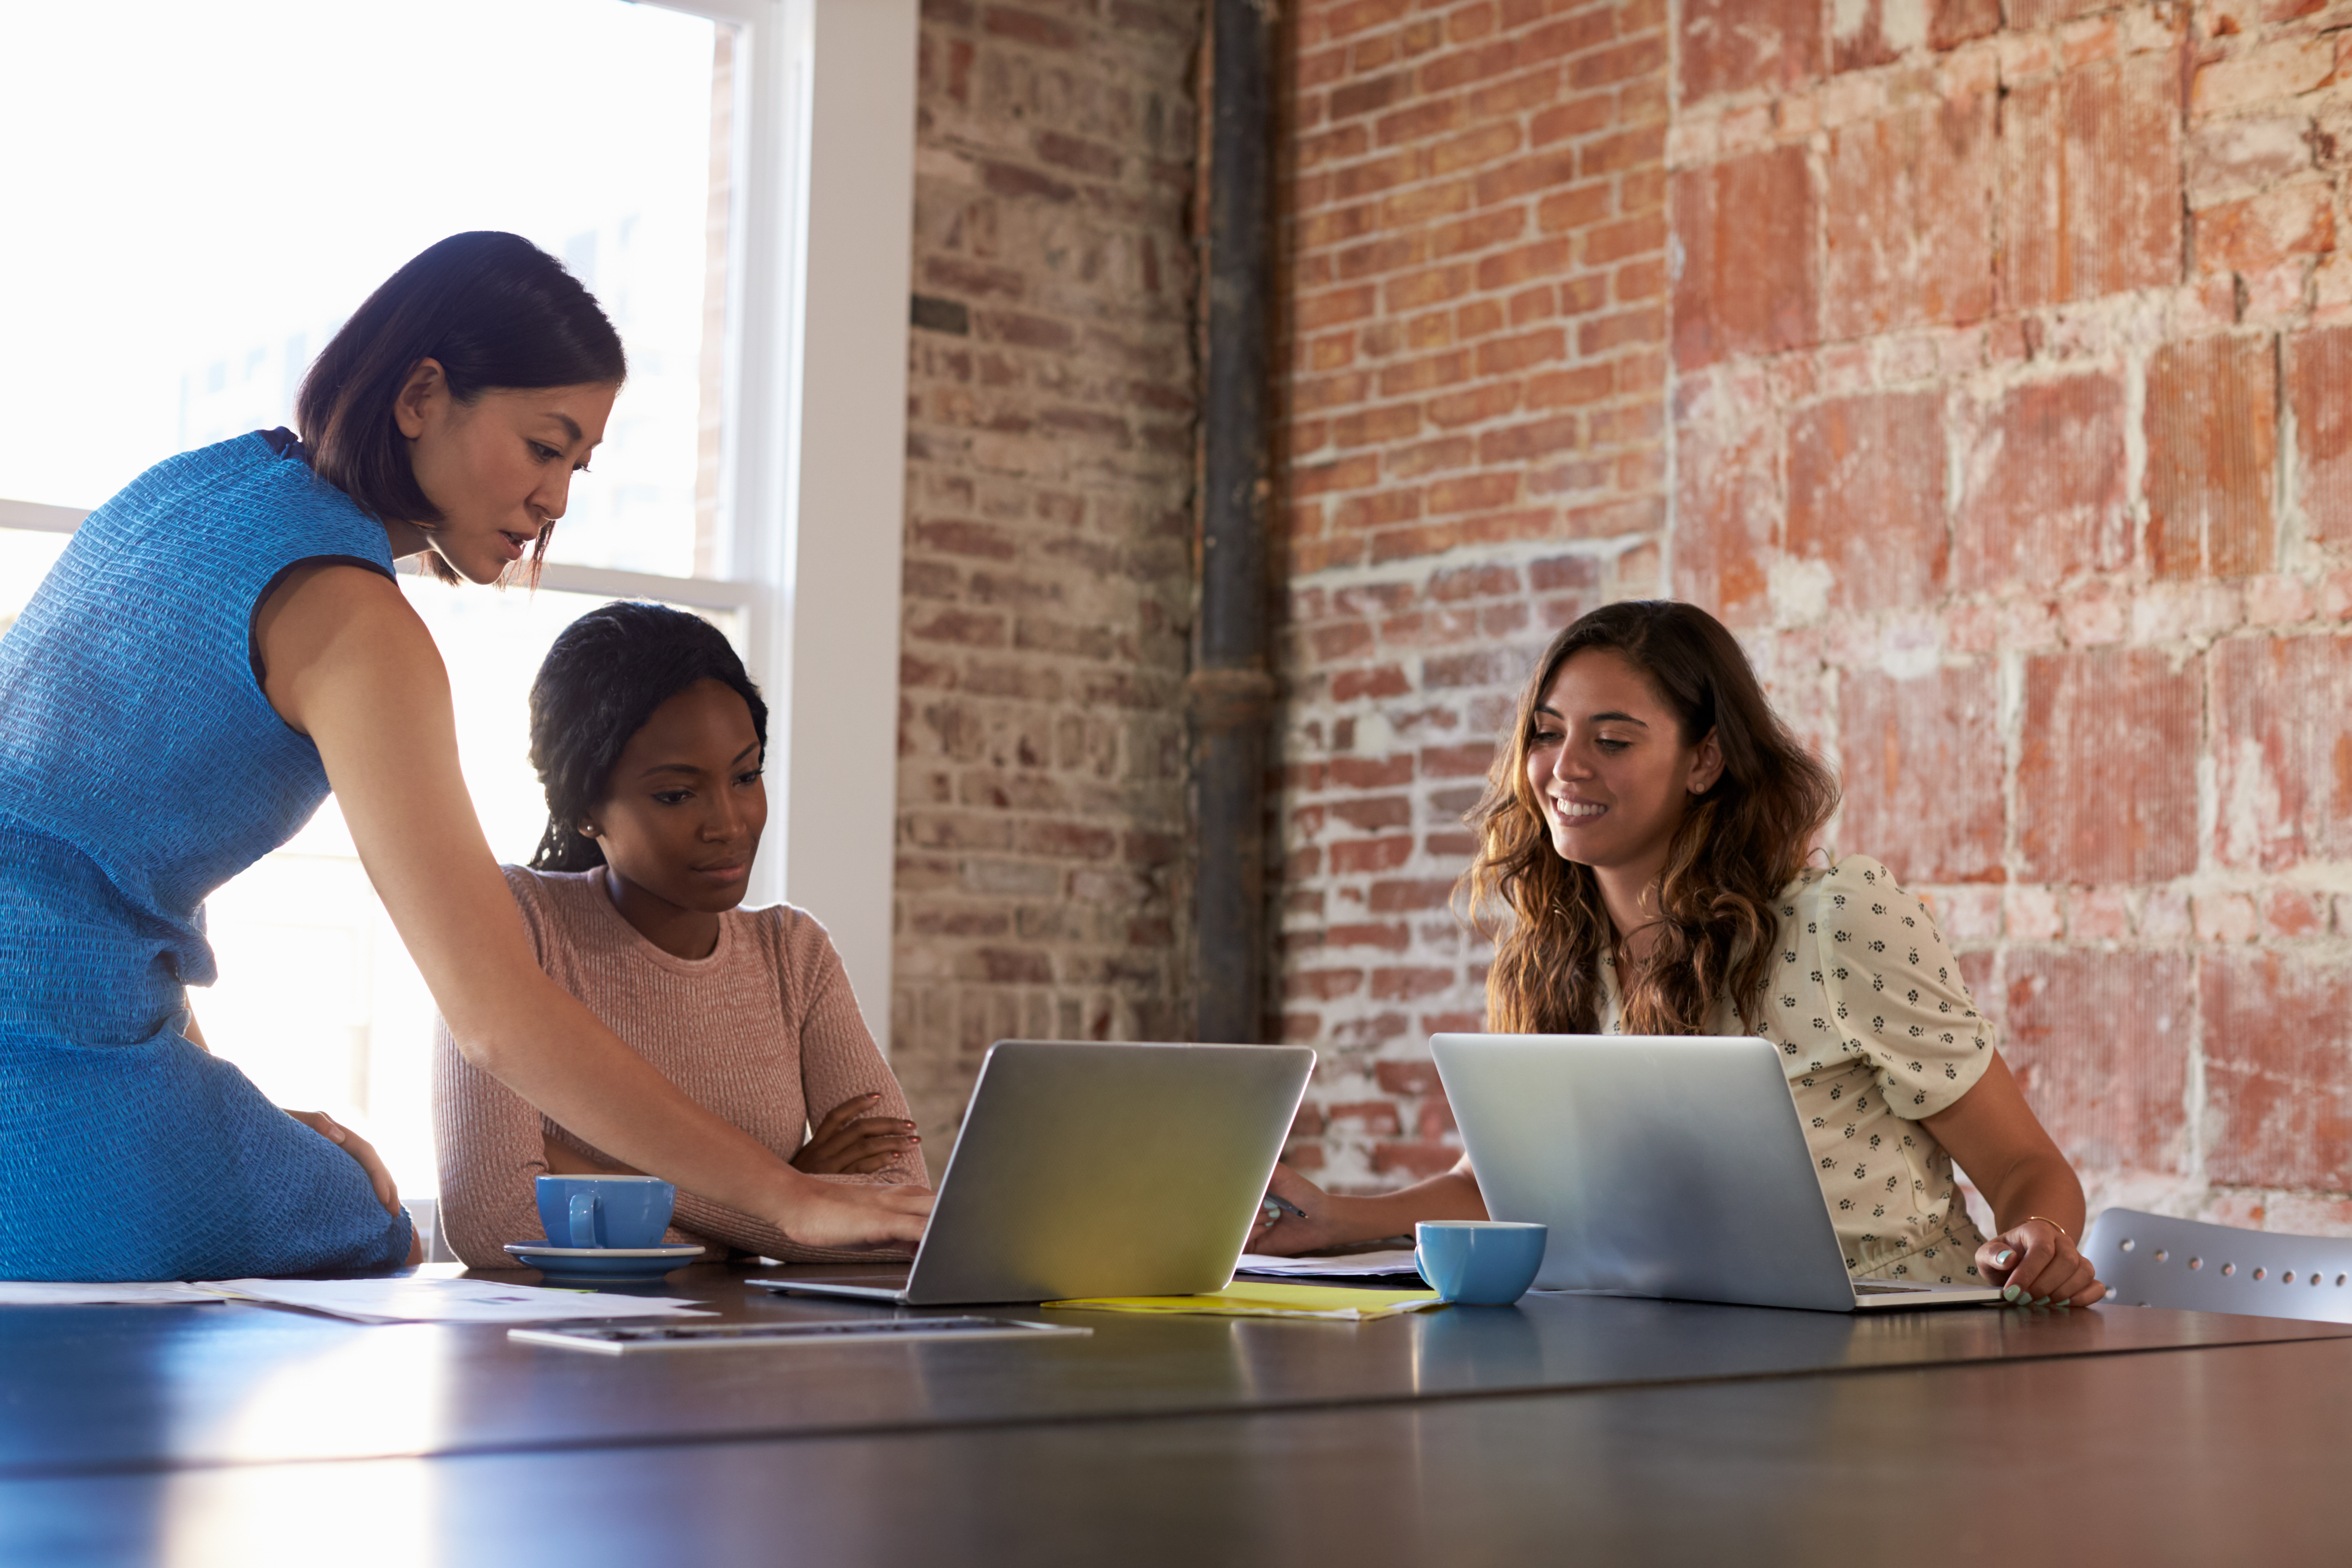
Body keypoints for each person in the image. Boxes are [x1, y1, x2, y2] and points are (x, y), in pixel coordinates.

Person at [0, 231, 928, 1281]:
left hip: (78, 1035)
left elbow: (80, 871)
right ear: (421, 397)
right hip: (36, 1078)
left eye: (580, 465)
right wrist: (788, 1201)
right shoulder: (357, 621)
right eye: (544, 447)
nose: (557, 503)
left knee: (325, 1184)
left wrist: (209, 1106)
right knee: (368, 1226)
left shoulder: (193, 491)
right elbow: (496, 1011)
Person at [1251, 600, 2104, 1308]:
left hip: (1898, 1349)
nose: (1563, 768)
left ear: (1704, 761)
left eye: (1613, 741)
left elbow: (2026, 1166)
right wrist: (1337, 1218)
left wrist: (2041, 1241)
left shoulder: (1837, 923)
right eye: (1547, 734)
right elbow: (1503, 1184)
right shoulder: (1558, 943)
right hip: (1676, 1353)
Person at [434, 602, 927, 1267]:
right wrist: (791, 1195)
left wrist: (590, 1171)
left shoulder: (795, 954)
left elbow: (896, 1211)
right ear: (583, 808)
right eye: (675, 795)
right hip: (560, 1358)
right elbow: (500, 1219)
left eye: (746, 777)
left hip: (744, 1354)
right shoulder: (513, 926)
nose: (728, 822)